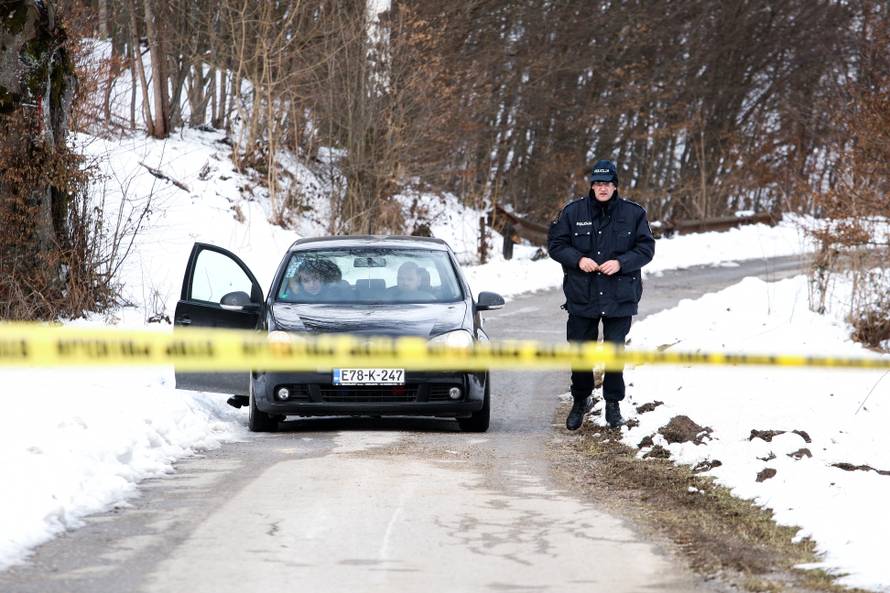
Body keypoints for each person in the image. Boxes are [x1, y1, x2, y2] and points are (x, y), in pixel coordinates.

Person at [548, 160, 655, 430]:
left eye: (607, 183)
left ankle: (612, 404)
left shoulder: (634, 214)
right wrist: (578, 259)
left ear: (615, 185)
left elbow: (646, 249)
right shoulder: (573, 212)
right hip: (582, 295)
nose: (602, 188)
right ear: (591, 186)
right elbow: (556, 245)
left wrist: (621, 263)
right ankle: (580, 400)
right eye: (597, 184)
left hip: (620, 296)